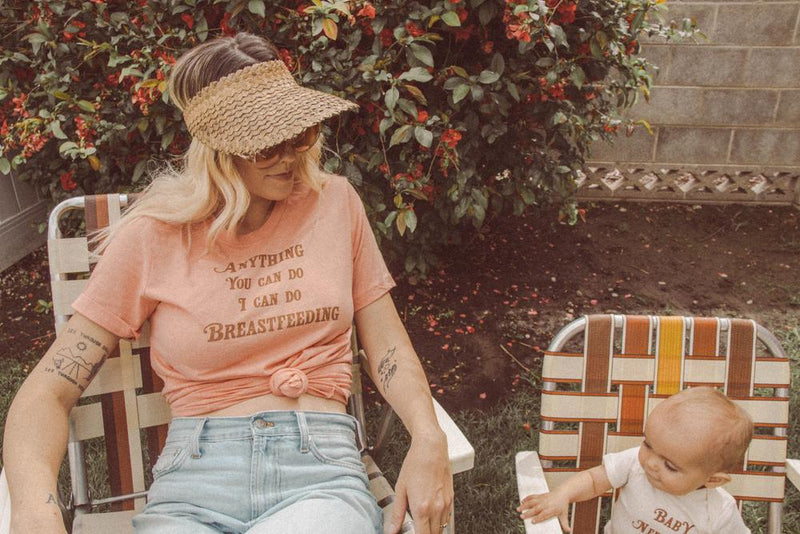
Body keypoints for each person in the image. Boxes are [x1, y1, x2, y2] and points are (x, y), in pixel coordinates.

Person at [3, 32, 452, 534]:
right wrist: (34, 507)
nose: (289, 155)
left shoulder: (335, 204)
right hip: (194, 479)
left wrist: (428, 435)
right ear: (218, 150)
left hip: (318, 471)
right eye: (265, 143)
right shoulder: (153, 237)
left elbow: (387, 342)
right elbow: (47, 390)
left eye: (298, 134)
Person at [518, 386, 753, 533]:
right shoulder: (635, 463)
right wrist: (562, 494)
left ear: (712, 480)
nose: (651, 462)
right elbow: (594, 479)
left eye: (670, 466)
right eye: (648, 445)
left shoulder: (720, 512)